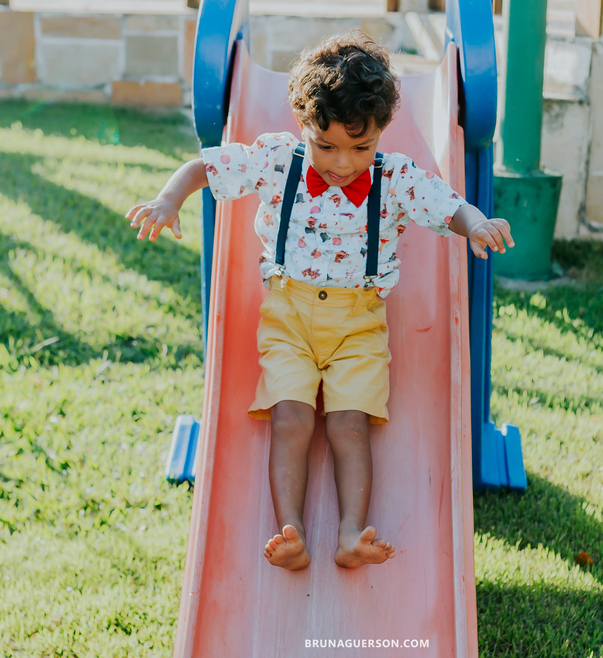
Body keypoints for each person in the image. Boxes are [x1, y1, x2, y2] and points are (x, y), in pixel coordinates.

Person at [125, 33, 514, 571]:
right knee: (290, 419)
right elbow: (203, 169)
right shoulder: (278, 160)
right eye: (326, 145)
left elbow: (446, 203)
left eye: (361, 147)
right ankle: (291, 531)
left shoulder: (393, 176)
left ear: (381, 133)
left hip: (359, 325)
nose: (342, 163)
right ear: (302, 124)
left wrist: (476, 225)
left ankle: (352, 532)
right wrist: (169, 200)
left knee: (349, 426)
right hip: (289, 317)